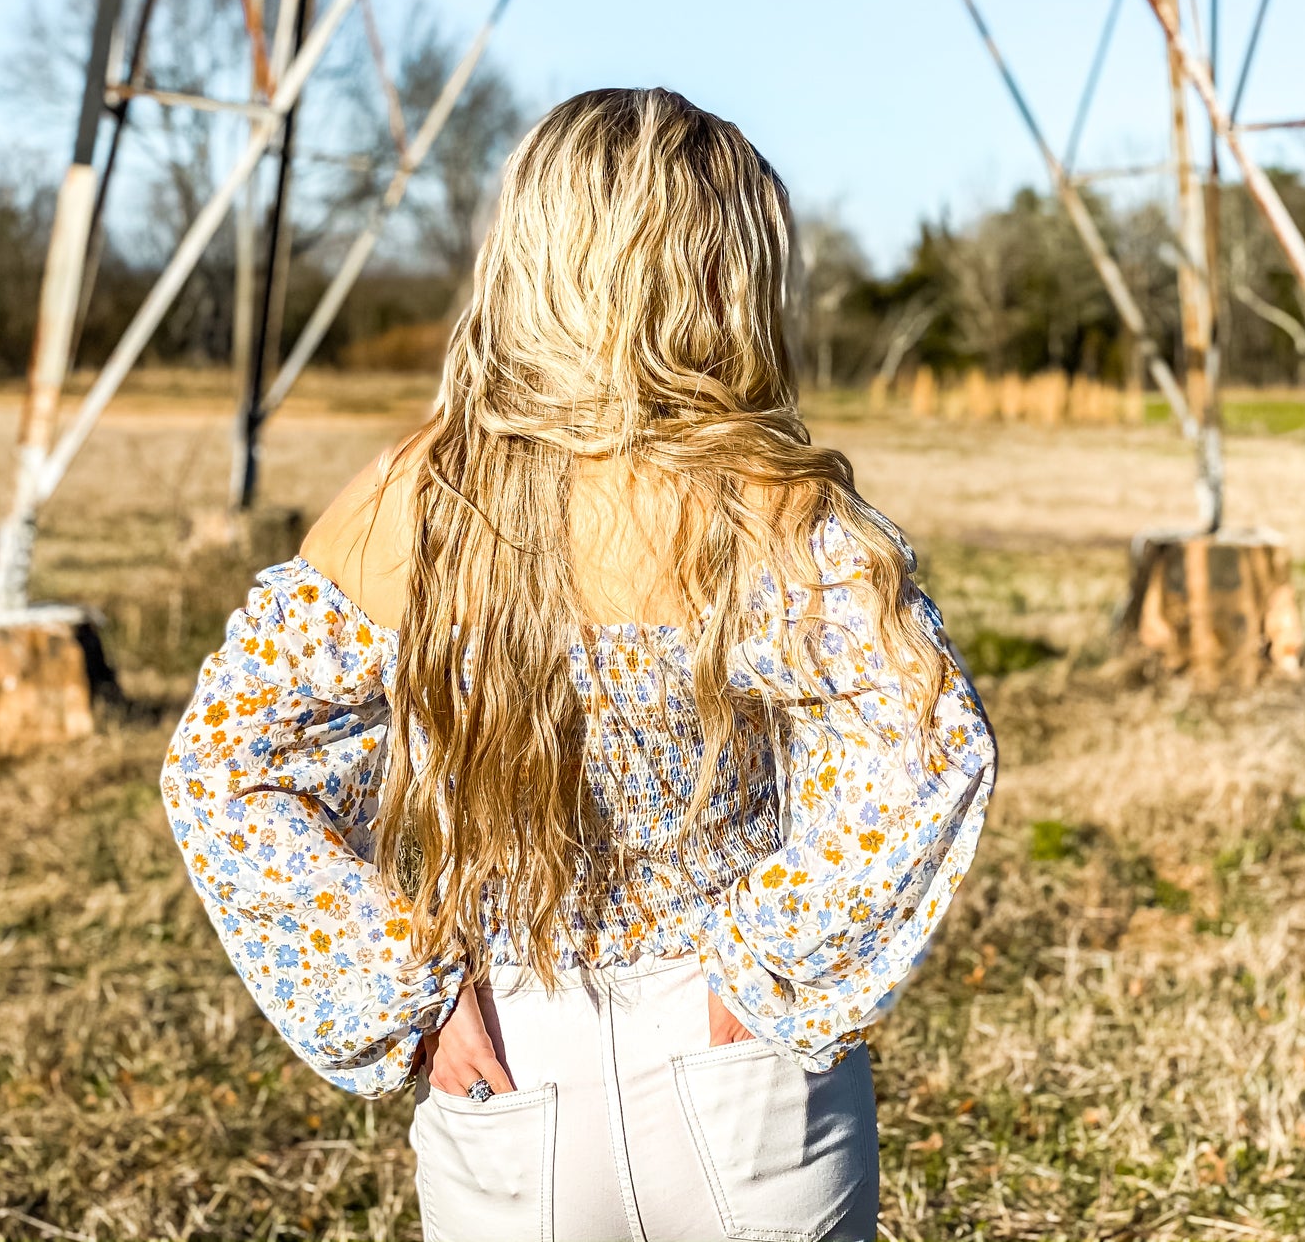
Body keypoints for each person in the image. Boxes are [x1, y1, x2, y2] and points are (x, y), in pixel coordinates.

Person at [161, 87, 996, 1242]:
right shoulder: (775, 504)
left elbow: (226, 762)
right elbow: (925, 745)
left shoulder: (415, 498)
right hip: (744, 1073)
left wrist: (402, 993)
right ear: (714, 275)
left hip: (504, 1058)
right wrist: (764, 971)